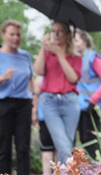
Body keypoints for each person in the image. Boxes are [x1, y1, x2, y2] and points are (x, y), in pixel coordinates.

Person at [0, 19, 32, 175]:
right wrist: (2, 77)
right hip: (1, 104)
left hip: (23, 104)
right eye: (12, 34)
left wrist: (35, 102)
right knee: (4, 147)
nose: (15, 38)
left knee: (23, 147)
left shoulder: (25, 56)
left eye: (18, 34)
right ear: (3, 35)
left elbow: (31, 80)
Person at [33, 21, 81, 164]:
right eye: (53, 31)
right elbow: (38, 71)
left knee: (67, 142)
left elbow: (73, 78)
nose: (56, 34)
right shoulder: (47, 55)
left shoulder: (76, 58)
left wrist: (60, 54)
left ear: (68, 35)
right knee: (61, 141)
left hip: (70, 101)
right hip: (50, 102)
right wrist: (43, 47)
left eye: (60, 31)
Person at [74, 29, 101, 159]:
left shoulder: (93, 58)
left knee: (90, 142)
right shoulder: (76, 59)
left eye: (77, 40)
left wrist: (93, 100)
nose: (74, 43)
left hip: (91, 107)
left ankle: (93, 171)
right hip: (77, 106)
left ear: (85, 41)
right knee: (80, 141)